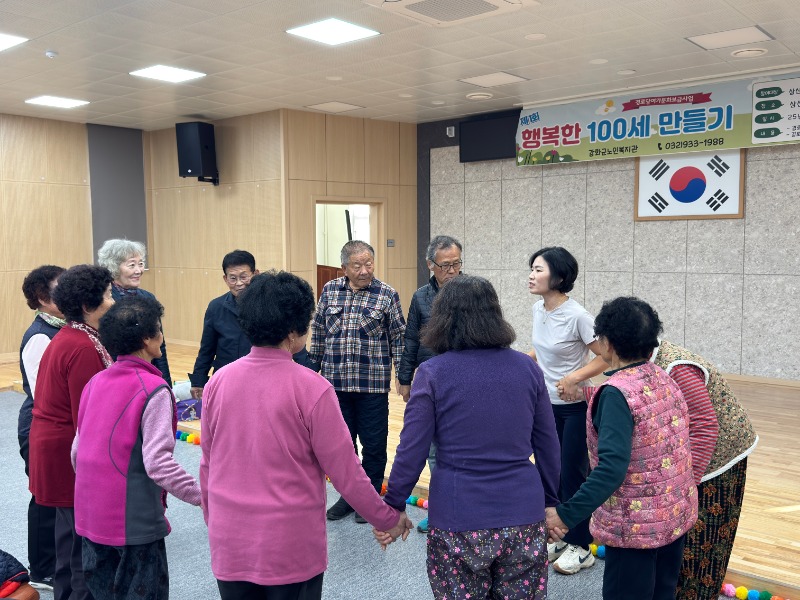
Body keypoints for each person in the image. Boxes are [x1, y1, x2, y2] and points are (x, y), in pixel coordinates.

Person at [200, 271, 411, 600]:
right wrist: (387, 518)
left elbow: (208, 465)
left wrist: (216, 523)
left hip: (230, 542)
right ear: (293, 331)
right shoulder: (312, 387)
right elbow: (345, 472)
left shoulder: (219, 381)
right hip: (289, 545)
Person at [378, 275, 561, 600]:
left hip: (458, 517)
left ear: (443, 319)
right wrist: (551, 503)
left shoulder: (433, 373)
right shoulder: (527, 368)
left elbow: (411, 450)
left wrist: (394, 506)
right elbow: (548, 445)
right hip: (523, 513)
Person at [547, 296, 698, 600]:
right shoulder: (663, 377)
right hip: (674, 517)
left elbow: (611, 469)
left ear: (608, 344)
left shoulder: (616, 394)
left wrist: (565, 515)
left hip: (635, 530)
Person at [72, 296, 201, 600]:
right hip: (132, 523)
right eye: (159, 329)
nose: (162, 337)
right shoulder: (154, 389)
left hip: (89, 516)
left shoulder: (95, 382)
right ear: (147, 338)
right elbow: (158, 463)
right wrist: (203, 495)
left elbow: (77, 452)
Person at [28, 264, 115, 600]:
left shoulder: (75, 336)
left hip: (57, 448)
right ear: (88, 305)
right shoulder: (82, 346)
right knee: (81, 550)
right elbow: (88, 418)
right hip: (67, 454)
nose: (112, 302)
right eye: (108, 296)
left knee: (68, 542)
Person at [307, 240, 406, 523]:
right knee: (342, 446)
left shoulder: (387, 294)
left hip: (371, 385)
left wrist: (403, 376)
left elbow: (399, 337)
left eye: (369, 264)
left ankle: (370, 498)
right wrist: (310, 373)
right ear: (344, 268)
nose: (364, 270)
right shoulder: (330, 291)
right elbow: (319, 332)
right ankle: (349, 497)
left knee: (373, 444)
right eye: (357, 265)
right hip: (335, 385)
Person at [527, 246, 607, 574]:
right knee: (551, 471)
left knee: (573, 475)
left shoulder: (578, 316)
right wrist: (524, 361)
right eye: (532, 269)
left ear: (559, 277)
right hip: (544, 405)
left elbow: (606, 355)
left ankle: (580, 545)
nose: (531, 275)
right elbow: (542, 349)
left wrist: (574, 377)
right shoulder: (538, 309)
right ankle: (559, 536)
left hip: (573, 408)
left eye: (539, 270)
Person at [396, 235, 462, 533]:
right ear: (430, 265)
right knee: (433, 450)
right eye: (445, 265)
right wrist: (404, 378)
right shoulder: (421, 296)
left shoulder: (472, 292)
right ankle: (440, 508)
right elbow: (411, 338)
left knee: (460, 446)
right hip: (430, 381)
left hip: (464, 382)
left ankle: (462, 507)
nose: (452, 271)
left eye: (457, 263)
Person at [188, 249, 306, 399]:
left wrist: (309, 371)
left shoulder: (270, 305)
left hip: (264, 379)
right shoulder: (215, 307)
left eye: (244, 277)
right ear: (225, 279)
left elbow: (293, 339)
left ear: (255, 274)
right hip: (226, 380)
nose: (238, 283)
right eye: (233, 278)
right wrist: (198, 381)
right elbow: (207, 349)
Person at [17, 265, 65, 591]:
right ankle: (41, 568)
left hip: (55, 422)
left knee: (60, 495)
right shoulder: (40, 336)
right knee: (45, 497)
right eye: (61, 288)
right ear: (42, 298)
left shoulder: (65, 327)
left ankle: (58, 559)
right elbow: (44, 393)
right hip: (38, 424)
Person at [97, 239, 171, 386]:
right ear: (114, 267)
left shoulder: (148, 298)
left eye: (141, 264)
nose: (138, 270)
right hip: (118, 376)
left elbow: (159, 345)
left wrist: (165, 382)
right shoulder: (105, 301)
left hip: (149, 373)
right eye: (132, 265)